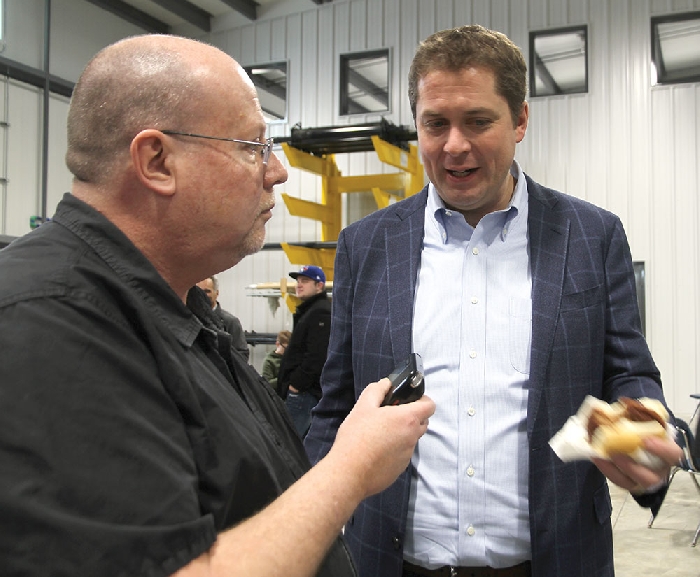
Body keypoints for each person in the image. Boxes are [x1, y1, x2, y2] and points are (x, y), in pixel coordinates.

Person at [0, 34, 436, 577]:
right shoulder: (53, 323)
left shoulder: (177, 309)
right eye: (253, 146)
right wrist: (351, 469)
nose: (276, 171)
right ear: (157, 160)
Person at [304, 24, 683, 577]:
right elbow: (336, 403)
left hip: (553, 561)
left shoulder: (591, 235)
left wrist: (645, 430)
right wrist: (307, 517)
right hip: (390, 561)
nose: (455, 145)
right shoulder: (368, 244)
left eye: (478, 121)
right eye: (436, 124)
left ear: (520, 120)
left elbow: (628, 373)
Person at [278, 265, 331, 437]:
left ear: (319, 286)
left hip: (303, 394)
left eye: (306, 281)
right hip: (301, 392)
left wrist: (296, 385)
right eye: (298, 281)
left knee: (289, 444)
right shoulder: (310, 311)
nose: (299, 285)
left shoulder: (320, 312)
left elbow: (316, 356)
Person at [196, 275, 250, 361]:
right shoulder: (191, 318)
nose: (203, 295)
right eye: (199, 291)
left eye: (207, 291)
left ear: (216, 293)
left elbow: (242, 355)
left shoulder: (230, 322)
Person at [262, 329, 292, 394]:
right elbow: (267, 384)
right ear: (278, 344)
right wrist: (285, 378)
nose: (288, 352)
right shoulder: (269, 361)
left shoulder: (292, 359)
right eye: (286, 348)